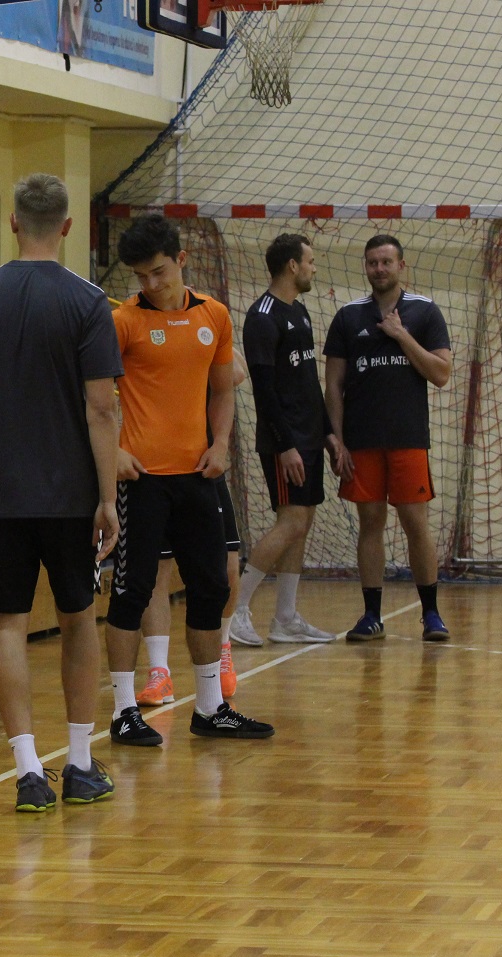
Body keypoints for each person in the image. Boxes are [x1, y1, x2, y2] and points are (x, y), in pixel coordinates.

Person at [0, 173, 123, 812]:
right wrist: (108, 498)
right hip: (71, 495)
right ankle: (80, 764)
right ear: (67, 226)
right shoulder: (89, 302)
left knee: (7, 626)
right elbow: (101, 409)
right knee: (79, 618)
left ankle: (27, 773)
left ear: (13, 222)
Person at [105, 215, 275, 746]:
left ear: (181, 260)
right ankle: (124, 711)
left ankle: (210, 707)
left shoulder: (214, 315)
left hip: (198, 476)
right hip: (142, 481)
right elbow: (90, 399)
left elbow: (223, 389)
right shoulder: (123, 322)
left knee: (211, 587)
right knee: (132, 592)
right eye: (140, 276)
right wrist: (113, 453)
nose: (150, 284)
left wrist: (220, 444)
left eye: (158, 272)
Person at [324, 234, 453, 642]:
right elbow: (333, 385)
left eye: (386, 261)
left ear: (401, 265)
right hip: (361, 442)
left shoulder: (425, 311)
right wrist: (337, 440)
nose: (379, 269)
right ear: (366, 267)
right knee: (371, 523)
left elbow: (441, 373)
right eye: (372, 262)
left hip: (408, 437)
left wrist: (401, 335)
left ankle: (431, 614)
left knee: (416, 523)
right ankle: (371, 615)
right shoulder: (348, 317)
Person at [227, 234, 340, 648]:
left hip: (308, 436)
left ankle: (286, 618)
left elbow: (308, 382)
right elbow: (264, 390)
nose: (314, 268)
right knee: (290, 521)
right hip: (284, 441)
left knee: (302, 524)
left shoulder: (300, 311)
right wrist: (286, 445)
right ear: (292, 265)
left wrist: (328, 434)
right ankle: (235, 610)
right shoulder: (262, 317)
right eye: (310, 261)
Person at [137, 349, 249, 706]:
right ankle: (159, 672)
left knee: (227, 563)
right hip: (154, 465)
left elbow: (237, 374)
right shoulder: (139, 330)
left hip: (201, 463)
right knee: (156, 570)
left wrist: (202, 337)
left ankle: (223, 647)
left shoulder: (203, 326)